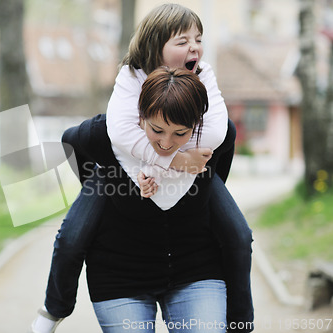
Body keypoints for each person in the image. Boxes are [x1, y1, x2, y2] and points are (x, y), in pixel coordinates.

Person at [31, 3, 253, 333]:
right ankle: (54, 308)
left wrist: (198, 179)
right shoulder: (127, 88)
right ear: (155, 47)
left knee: (238, 234)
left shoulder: (203, 76)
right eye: (181, 41)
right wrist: (109, 179)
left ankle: (241, 322)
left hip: (194, 196)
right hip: (114, 195)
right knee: (72, 238)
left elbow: (221, 135)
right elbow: (88, 138)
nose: (194, 47)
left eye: (198, 39)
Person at [65, 67, 227, 332]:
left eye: (180, 133)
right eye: (157, 130)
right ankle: (54, 308)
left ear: (196, 125)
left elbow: (223, 162)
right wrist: (99, 184)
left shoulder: (209, 145)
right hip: (120, 276)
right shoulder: (107, 134)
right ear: (140, 115)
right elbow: (70, 140)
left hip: (194, 271)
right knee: (69, 239)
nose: (166, 143)